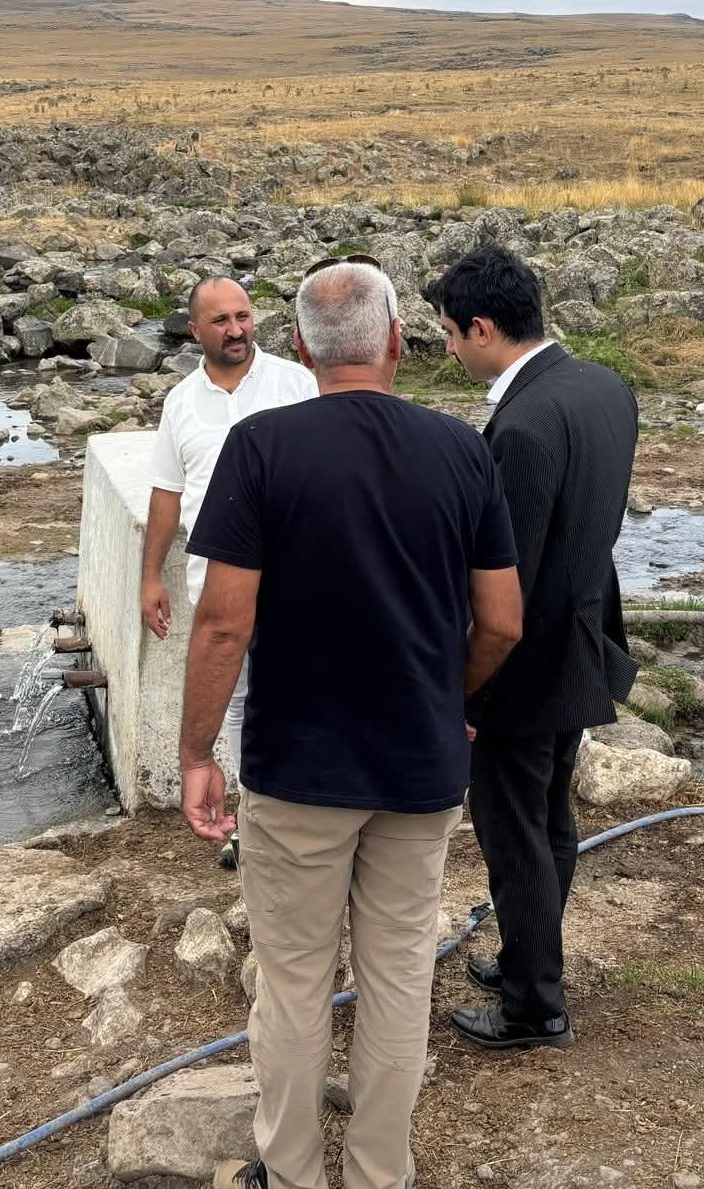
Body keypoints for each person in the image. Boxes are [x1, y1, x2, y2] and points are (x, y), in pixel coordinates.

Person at [178, 259, 524, 1189]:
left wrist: (194, 753)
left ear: (299, 347)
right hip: (420, 765)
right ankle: (380, 1172)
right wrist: (449, 701)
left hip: (298, 768)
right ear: (397, 341)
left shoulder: (259, 448)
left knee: (291, 985)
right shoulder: (462, 451)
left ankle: (290, 1173)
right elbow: (502, 621)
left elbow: (222, 621)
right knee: (401, 976)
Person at [426, 242, 640, 1052]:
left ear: (483, 328)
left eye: (449, 332)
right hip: (583, 637)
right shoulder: (602, 387)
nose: (445, 348)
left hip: (523, 665)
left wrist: (469, 695)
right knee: (552, 816)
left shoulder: (518, 426)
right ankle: (529, 956)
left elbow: (500, 589)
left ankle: (532, 1006)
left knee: (515, 831)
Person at [143, 275, 318, 867]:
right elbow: (167, 493)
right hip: (214, 586)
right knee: (238, 703)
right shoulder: (180, 402)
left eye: (243, 316)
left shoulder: (298, 384)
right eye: (220, 321)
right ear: (194, 330)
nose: (237, 329)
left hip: (297, 583)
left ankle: (308, 815)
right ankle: (252, 822)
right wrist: (151, 578)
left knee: (299, 697)